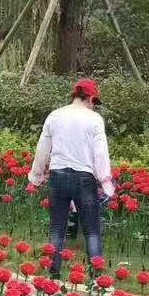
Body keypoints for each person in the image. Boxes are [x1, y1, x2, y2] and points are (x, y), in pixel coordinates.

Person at [28, 78, 114, 277]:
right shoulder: (94, 120)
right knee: (92, 230)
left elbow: (43, 148)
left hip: (57, 176)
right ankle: (96, 276)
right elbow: (100, 152)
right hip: (83, 177)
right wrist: (105, 179)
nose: (94, 106)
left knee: (57, 227)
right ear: (89, 98)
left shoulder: (55, 115)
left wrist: (37, 174)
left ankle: (53, 272)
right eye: (94, 101)